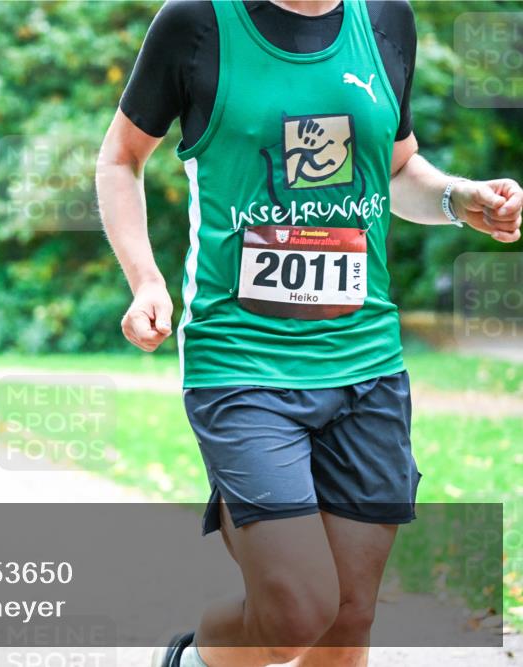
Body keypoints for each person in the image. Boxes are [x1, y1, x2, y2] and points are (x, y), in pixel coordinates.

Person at [95, 2, 522, 667]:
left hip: (366, 366)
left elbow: (399, 167)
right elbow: (120, 158)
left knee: (348, 618)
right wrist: (146, 280)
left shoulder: (386, 19)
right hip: (242, 362)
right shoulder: (198, 23)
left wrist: (455, 198)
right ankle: (188, 661)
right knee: (296, 611)